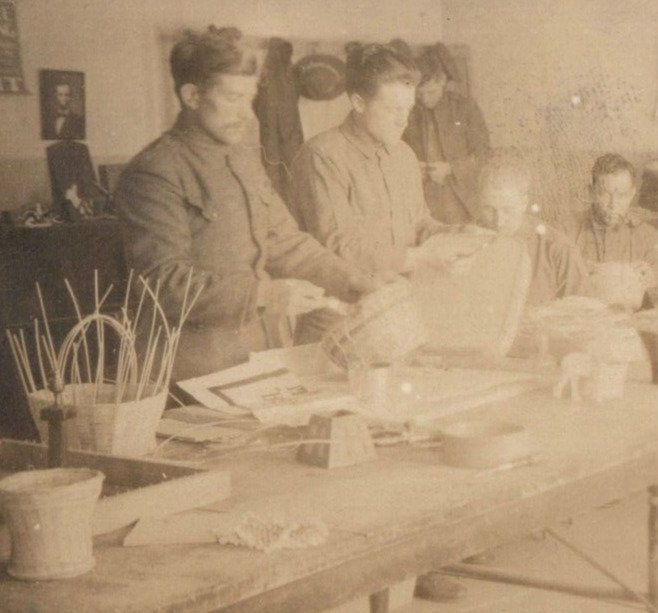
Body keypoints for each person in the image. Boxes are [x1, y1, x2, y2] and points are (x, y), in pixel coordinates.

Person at [115, 28, 377, 380]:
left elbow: (287, 243)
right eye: (233, 99)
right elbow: (164, 284)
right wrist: (265, 294)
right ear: (192, 95)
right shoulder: (155, 172)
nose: (248, 114)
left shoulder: (244, 159)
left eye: (249, 99)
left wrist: (355, 280)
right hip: (190, 371)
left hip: (257, 357)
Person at [289, 42, 466, 342]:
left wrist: (457, 234)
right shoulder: (322, 155)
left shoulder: (404, 156)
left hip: (397, 315)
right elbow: (339, 246)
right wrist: (421, 258)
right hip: (337, 323)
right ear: (358, 103)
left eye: (408, 109)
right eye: (393, 109)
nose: (403, 120)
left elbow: (419, 224)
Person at [476, 154, 589, 306]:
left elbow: (580, 313)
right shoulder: (465, 240)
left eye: (508, 210)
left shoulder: (558, 249)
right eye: (489, 209)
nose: (499, 222)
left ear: (524, 202)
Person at [403, 43, 490, 224]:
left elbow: (485, 155)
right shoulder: (407, 112)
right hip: (421, 201)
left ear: (442, 81)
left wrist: (451, 168)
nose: (425, 100)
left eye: (431, 92)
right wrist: (411, 167)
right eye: (419, 95)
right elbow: (394, 152)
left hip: (462, 201)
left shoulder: (465, 107)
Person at [562, 153, 658, 308]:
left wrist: (653, 284)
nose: (613, 204)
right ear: (591, 192)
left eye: (621, 195)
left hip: (631, 327)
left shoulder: (649, 236)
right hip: (579, 324)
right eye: (604, 194)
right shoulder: (567, 232)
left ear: (632, 194)